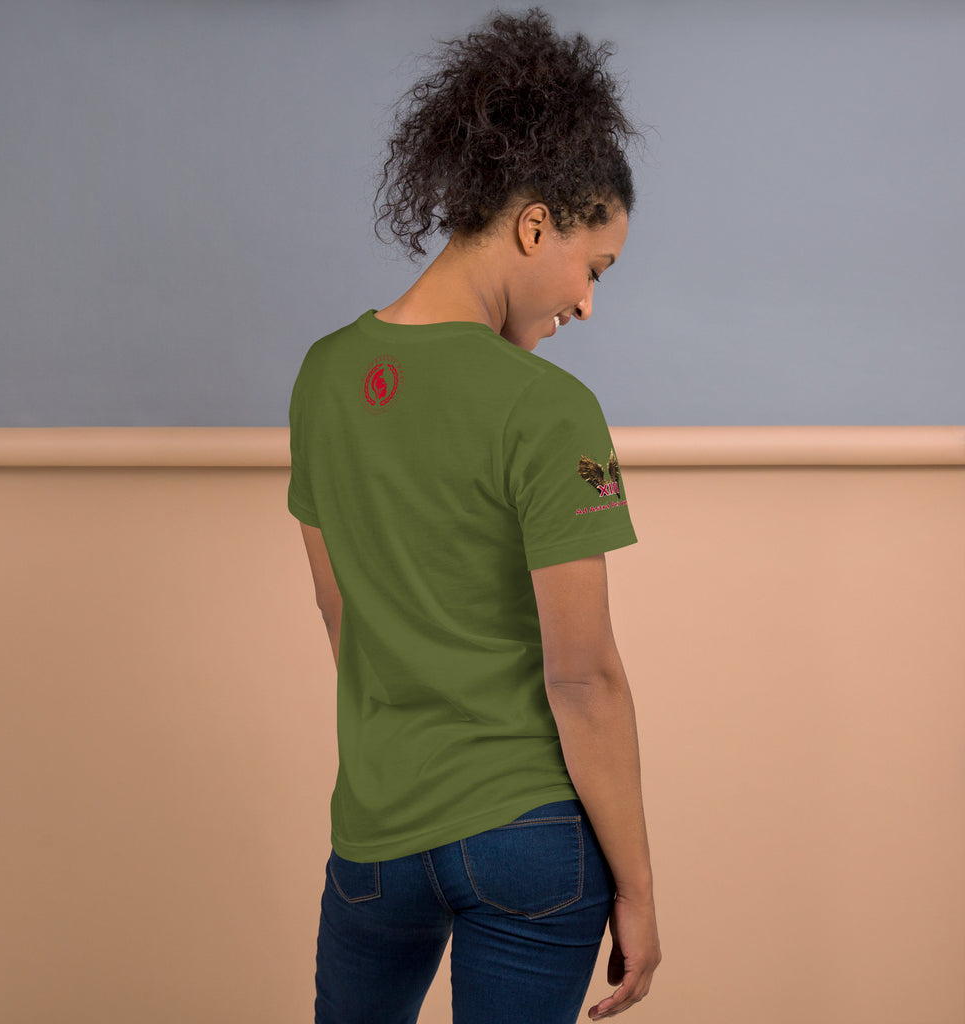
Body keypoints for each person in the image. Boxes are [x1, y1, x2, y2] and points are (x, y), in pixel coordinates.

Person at [288, 8, 661, 1022]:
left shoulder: (324, 376)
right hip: (528, 839)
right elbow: (583, 676)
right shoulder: (549, 408)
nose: (587, 304)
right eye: (593, 268)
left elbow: (340, 614)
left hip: (376, 836)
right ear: (535, 226)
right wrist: (635, 887)